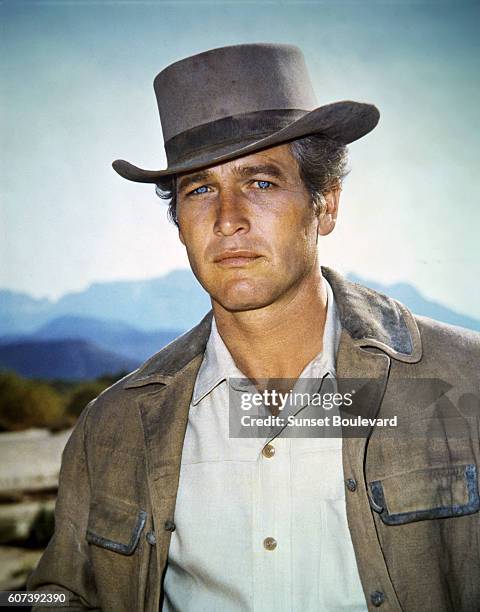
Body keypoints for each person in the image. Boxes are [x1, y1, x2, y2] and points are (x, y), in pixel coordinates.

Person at [28, 44, 480, 612]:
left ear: (327, 204)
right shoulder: (113, 427)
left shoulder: (466, 383)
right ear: (179, 226)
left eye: (261, 183)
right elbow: (58, 591)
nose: (228, 219)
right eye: (200, 190)